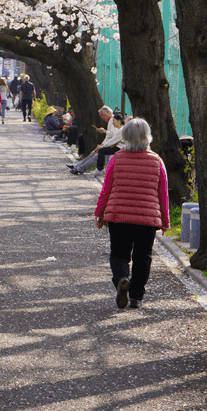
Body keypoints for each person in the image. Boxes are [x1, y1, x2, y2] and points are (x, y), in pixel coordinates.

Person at [94, 117, 169, 309]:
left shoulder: (117, 159)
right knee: (143, 257)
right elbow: (163, 194)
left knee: (119, 254)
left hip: (119, 216)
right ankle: (136, 297)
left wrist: (99, 213)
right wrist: (165, 220)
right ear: (147, 136)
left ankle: (121, 279)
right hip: (147, 219)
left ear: (125, 136)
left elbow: (106, 189)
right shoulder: (157, 161)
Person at [67, 107, 122, 174]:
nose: (102, 117)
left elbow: (113, 136)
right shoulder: (111, 121)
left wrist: (104, 133)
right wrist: (102, 144)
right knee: (93, 153)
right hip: (110, 145)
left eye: (102, 115)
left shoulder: (113, 121)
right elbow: (109, 137)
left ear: (108, 112)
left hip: (113, 146)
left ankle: (81, 169)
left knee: (96, 155)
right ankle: (78, 167)